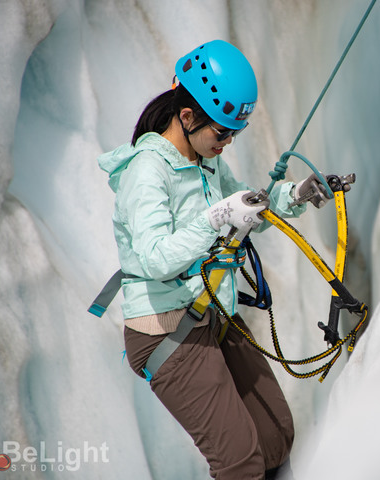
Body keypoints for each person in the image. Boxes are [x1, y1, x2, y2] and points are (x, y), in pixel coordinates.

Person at [98, 40, 330, 479]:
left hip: (210, 312)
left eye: (234, 134)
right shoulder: (147, 171)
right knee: (239, 462)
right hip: (166, 330)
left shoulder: (204, 160)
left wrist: (292, 196)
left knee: (274, 437)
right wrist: (215, 218)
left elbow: (246, 203)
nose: (227, 142)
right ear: (187, 117)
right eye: (222, 132)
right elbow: (153, 258)